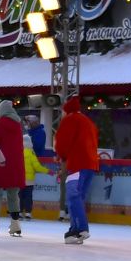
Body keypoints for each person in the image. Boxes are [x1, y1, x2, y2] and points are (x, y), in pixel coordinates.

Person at [55, 95, 101, 244]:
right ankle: (75, 229)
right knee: (78, 196)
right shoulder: (88, 122)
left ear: (66, 110)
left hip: (77, 164)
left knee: (73, 195)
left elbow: (62, 142)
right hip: (91, 164)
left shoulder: (69, 120)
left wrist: (61, 156)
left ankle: (80, 228)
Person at [0, 100, 27, 237]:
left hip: (0, 163)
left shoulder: (0, 125)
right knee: (13, 195)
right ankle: (15, 224)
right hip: (16, 165)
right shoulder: (18, 126)